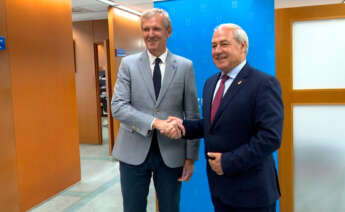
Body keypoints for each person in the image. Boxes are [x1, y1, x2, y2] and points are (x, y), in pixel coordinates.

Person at [167, 23, 284, 212]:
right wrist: (183, 127)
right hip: (220, 190)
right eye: (214, 46)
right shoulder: (211, 83)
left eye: (224, 44)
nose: (217, 51)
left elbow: (270, 138)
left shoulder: (264, 84)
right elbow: (213, 125)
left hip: (253, 194)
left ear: (243, 46)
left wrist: (229, 162)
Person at [110, 8, 200, 212]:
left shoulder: (185, 66)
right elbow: (118, 107)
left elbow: (193, 114)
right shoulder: (128, 64)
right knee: (133, 208)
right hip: (132, 151)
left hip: (171, 154)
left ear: (168, 32)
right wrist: (155, 123)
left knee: (170, 207)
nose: (150, 34)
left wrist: (190, 157)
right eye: (146, 29)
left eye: (156, 29)